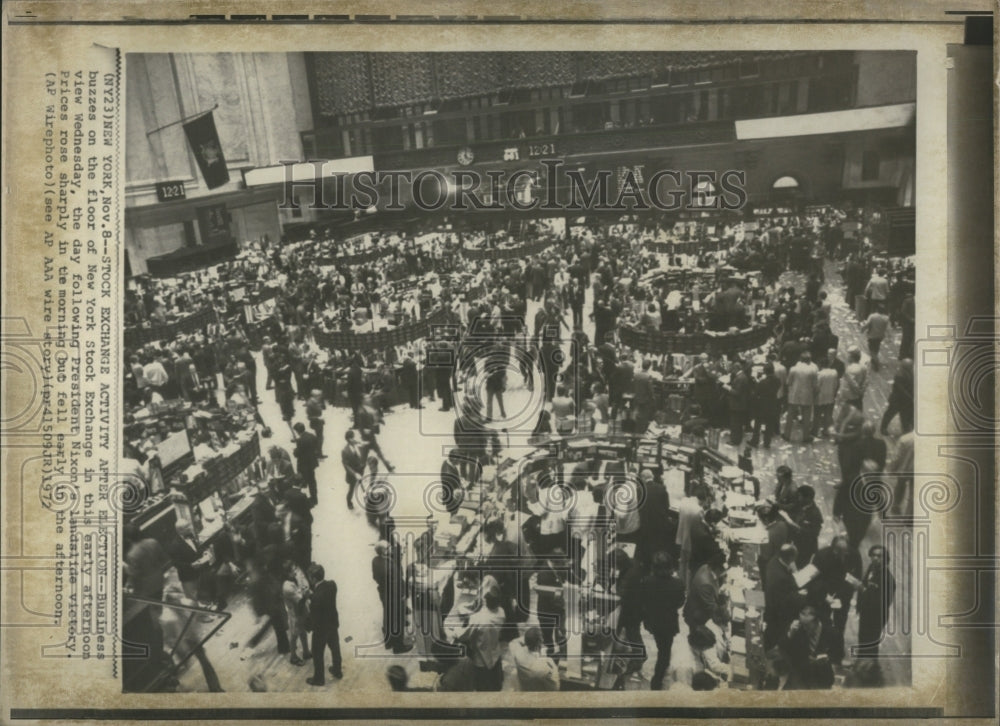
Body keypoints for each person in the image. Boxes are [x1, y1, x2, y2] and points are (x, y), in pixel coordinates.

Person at [639, 551, 686, 690]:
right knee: (665, 652)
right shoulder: (678, 584)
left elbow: (644, 601)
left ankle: (658, 675)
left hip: (653, 620)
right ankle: (657, 680)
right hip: (668, 622)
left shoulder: (647, 582)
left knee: (661, 647)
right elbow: (679, 603)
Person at [459, 584, 507, 691]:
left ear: (486, 601)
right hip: (495, 653)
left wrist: (454, 631)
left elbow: (464, 635)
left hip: (481, 659)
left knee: (483, 688)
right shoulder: (501, 612)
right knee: (496, 685)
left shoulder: (478, 618)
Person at [856, 545, 896, 662]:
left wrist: (862, 589)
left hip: (876, 616)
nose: (875, 558)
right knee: (863, 638)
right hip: (865, 612)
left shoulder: (888, 579)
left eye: (879, 556)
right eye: (873, 555)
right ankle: (861, 661)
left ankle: (870, 667)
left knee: (871, 642)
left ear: (886, 559)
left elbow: (883, 603)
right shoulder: (872, 568)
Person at [306, 563, 343, 686]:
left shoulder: (315, 598)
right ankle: (337, 671)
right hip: (332, 624)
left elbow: (314, 617)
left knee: (317, 654)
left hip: (321, 630)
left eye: (310, 577)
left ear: (314, 578)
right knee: (335, 648)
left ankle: (319, 679)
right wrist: (312, 595)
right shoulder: (332, 585)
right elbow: (323, 597)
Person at [783, 605, 835, 690]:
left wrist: (827, 657)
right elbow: (784, 649)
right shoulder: (798, 628)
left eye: (807, 625)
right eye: (803, 625)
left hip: (821, 673)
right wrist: (790, 633)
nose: (804, 628)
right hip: (801, 672)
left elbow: (838, 653)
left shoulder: (830, 631)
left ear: (816, 622)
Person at [372, 540, 409, 653]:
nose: (391, 549)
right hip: (394, 596)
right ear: (383, 551)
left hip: (384, 594)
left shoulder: (376, 561)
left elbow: (376, 577)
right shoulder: (388, 565)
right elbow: (395, 582)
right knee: (397, 620)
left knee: (388, 618)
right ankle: (399, 646)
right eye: (388, 547)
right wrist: (402, 595)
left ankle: (389, 642)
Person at [764, 543, 803, 651]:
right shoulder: (782, 578)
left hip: (772, 600)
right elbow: (787, 597)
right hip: (777, 610)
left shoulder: (774, 561)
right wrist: (800, 594)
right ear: (790, 558)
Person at [683, 549, 729, 631]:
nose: (725, 574)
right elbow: (712, 608)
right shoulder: (706, 584)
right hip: (696, 616)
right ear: (718, 569)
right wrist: (723, 624)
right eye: (725, 572)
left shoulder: (706, 567)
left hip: (701, 606)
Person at [509, 627, 560, 691]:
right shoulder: (547, 665)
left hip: (524, 688)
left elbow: (515, 641)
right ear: (540, 642)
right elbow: (555, 687)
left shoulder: (517, 653)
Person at [281, 559, 312, 666]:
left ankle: (306, 652)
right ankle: (293, 656)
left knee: (303, 632)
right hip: (295, 614)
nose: (294, 572)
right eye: (292, 570)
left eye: (294, 569)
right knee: (294, 636)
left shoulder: (293, 579)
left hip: (301, 611)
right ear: (287, 573)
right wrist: (306, 594)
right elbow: (299, 600)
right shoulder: (287, 587)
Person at [784, 352, 818, 443]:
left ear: (800, 359)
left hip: (794, 395)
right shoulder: (813, 370)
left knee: (790, 415)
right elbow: (815, 385)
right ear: (809, 360)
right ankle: (806, 436)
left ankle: (787, 435)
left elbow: (788, 382)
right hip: (807, 396)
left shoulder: (793, 369)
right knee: (806, 416)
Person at [749, 362, 781, 449]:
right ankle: (767, 443)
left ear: (765, 372)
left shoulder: (762, 383)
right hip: (772, 404)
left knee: (758, 424)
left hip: (762, 405)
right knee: (769, 424)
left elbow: (756, 393)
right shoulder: (778, 381)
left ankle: (755, 441)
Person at [791, 486, 823, 568]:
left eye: (800, 496)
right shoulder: (800, 504)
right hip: (797, 543)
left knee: (801, 567)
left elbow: (815, 533)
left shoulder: (816, 514)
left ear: (808, 498)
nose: (798, 498)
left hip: (806, 548)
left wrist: (799, 529)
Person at [880, 358, 914, 435]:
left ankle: (906, 429)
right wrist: (912, 397)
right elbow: (902, 390)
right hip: (897, 399)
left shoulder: (910, 373)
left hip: (906, 400)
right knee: (890, 413)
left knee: (906, 415)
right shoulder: (899, 375)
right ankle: (883, 428)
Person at [292, 422, 320, 506]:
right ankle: (314, 499)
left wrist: (294, 449)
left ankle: (301, 500)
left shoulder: (300, 441)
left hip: (303, 465)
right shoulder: (311, 435)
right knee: (312, 481)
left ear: (297, 431)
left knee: (301, 481)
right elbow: (315, 444)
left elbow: (297, 454)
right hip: (311, 463)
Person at [341, 429, 366, 510]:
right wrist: (355, 474)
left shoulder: (357, 444)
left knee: (363, 487)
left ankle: (367, 502)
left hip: (360, 470)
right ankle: (349, 501)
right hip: (353, 474)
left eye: (353, 437)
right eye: (351, 438)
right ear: (347, 439)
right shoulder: (345, 451)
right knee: (351, 489)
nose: (353, 439)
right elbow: (346, 466)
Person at [861, 303, 890, 372]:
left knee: (871, 349)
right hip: (880, 336)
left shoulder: (872, 316)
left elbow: (867, 324)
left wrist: (862, 329)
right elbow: (888, 329)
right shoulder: (886, 318)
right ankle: (874, 359)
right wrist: (889, 337)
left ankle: (876, 361)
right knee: (876, 347)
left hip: (872, 335)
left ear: (877, 309)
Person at [839, 347, 867, 413]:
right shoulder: (863, 366)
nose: (847, 357)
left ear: (852, 357)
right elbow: (865, 380)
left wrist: (859, 392)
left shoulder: (851, 369)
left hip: (851, 396)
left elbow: (853, 384)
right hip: (858, 396)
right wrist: (862, 391)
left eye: (848, 355)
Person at [305, 390, 326, 458]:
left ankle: (318, 452)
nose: (320, 397)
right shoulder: (311, 403)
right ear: (315, 396)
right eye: (319, 395)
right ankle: (318, 453)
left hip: (318, 423)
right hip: (316, 423)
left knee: (320, 438)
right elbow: (309, 416)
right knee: (320, 439)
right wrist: (318, 418)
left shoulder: (315, 402)